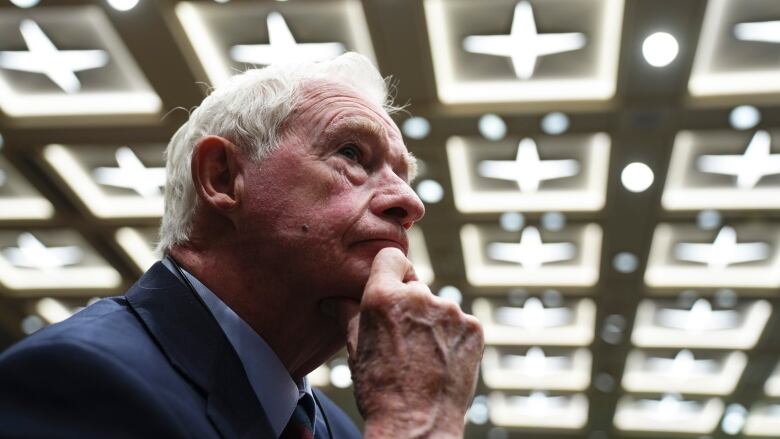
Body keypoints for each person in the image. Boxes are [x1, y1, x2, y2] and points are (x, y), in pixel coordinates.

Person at [0, 52, 484, 438]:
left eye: (403, 175)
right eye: (352, 153)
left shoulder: (339, 428)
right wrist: (416, 423)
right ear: (224, 176)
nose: (410, 202)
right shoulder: (76, 379)